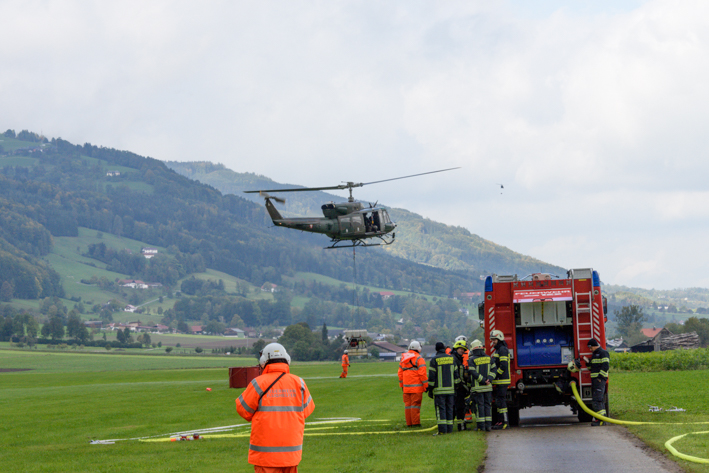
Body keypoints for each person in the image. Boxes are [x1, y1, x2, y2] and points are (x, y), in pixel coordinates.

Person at [236, 343, 315, 473]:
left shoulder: (258, 383)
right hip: (291, 454)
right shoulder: (299, 383)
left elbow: (243, 410)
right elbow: (307, 410)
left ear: (263, 361)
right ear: (287, 359)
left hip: (265, 456)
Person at [427, 341, 459, 435]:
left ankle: (442, 430)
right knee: (449, 409)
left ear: (436, 349)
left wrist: (430, 389)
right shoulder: (451, 359)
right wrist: (456, 387)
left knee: (441, 409)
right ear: (444, 348)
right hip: (450, 390)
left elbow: (432, 376)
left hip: (439, 391)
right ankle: (449, 429)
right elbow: (456, 374)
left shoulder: (434, 360)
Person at [398, 340, 428, 427]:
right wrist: (426, 386)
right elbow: (422, 374)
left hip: (406, 388)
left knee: (408, 406)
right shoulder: (419, 358)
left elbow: (400, 373)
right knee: (415, 405)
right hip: (416, 388)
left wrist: (402, 385)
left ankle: (409, 424)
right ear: (418, 348)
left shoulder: (403, 358)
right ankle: (415, 423)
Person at [583, 338, 610, 426]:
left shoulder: (603, 353)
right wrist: (588, 363)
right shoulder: (595, 354)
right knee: (599, 400)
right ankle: (603, 418)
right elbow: (592, 368)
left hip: (599, 380)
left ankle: (600, 420)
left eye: (591, 348)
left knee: (597, 401)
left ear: (594, 346)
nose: (590, 350)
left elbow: (606, 366)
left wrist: (600, 378)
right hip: (595, 381)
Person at [468, 339, 493, 431]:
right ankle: (488, 426)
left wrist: (482, 380)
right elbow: (494, 370)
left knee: (480, 406)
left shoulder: (472, 359)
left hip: (478, 388)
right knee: (488, 406)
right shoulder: (489, 358)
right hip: (488, 387)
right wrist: (489, 380)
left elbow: (473, 372)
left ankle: (481, 427)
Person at [489, 329, 510, 430]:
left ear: (499, 339)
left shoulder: (502, 349)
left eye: (494, 339)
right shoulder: (499, 349)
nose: (493, 341)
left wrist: (496, 375)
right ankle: (500, 421)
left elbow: (503, 366)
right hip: (499, 381)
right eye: (492, 339)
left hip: (502, 380)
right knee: (498, 402)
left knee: (501, 402)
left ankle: (505, 422)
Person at [452, 340, 470, 431]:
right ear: (456, 348)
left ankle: (460, 426)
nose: (462, 351)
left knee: (459, 407)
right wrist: (463, 386)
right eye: (460, 349)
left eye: (463, 349)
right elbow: (456, 375)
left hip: (459, 387)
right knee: (459, 408)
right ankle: (461, 427)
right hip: (457, 388)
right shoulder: (454, 359)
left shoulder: (458, 358)